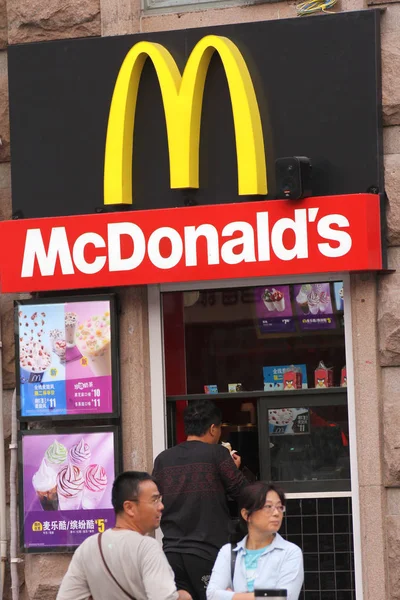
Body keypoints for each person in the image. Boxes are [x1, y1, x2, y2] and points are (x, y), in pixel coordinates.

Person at [152, 400, 247, 600]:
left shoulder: (163, 459)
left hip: (171, 552)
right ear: (213, 428)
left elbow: (155, 498)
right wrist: (235, 469)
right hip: (207, 551)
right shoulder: (218, 454)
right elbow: (244, 493)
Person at [57, 471, 192, 600]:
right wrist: (182, 596)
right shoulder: (147, 547)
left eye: (160, 499)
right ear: (129, 508)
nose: (161, 506)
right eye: (154, 500)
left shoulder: (89, 546)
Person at [206, 482, 304, 600]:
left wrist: (232, 596)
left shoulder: (290, 552)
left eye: (280, 507)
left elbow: (285, 597)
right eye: (268, 507)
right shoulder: (228, 552)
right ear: (246, 515)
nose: (276, 513)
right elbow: (212, 595)